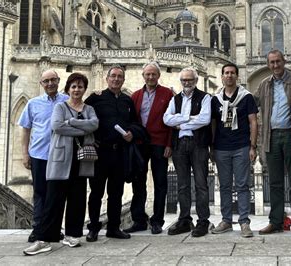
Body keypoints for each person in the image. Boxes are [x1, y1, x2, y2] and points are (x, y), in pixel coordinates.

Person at [23, 73, 98, 255]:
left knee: (77, 197)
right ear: (68, 89)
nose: (77, 89)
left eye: (80, 86)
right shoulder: (60, 106)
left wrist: (71, 122)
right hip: (60, 158)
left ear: (84, 89)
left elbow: (94, 125)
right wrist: (81, 126)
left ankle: (72, 234)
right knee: (53, 199)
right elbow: (57, 127)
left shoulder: (88, 109)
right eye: (73, 86)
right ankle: (44, 239)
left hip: (80, 159)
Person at [254, 49, 291, 237]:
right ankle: (276, 222)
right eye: (272, 62)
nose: (275, 65)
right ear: (268, 64)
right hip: (271, 137)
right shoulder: (264, 85)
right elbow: (252, 104)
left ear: (284, 61)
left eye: (278, 61)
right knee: (275, 182)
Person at [84, 65, 137, 241]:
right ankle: (93, 228)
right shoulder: (95, 98)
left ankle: (114, 227)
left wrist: (132, 133)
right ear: (107, 79)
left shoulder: (127, 101)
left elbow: (135, 123)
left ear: (123, 80)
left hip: (119, 152)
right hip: (100, 153)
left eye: (119, 77)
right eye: (113, 76)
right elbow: (82, 115)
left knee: (116, 193)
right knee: (96, 193)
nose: (116, 79)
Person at [18, 69, 69, 242]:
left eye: (53, 80)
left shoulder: (67, 101)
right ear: (41, 83)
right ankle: (38, 230)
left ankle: (54, 230)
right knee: (40, 193)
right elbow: (26, 130)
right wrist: (25, 154)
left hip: (60, 156)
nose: (49, 84)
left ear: (59, 81)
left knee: (57, 195)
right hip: (39, 155)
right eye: (46, 81)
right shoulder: (33, 103)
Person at [210, 63, 258, 238]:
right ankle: (226, 221)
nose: (229, 76)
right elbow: (213, 124)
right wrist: (212, 146)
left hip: (241, 146)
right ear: (222, 77)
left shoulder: (246, 97)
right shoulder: (215, 99)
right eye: (226, 73)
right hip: (221, 148)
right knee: (224, 186)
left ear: (237, 76)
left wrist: (253, 146)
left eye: (232, 73)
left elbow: (253, 121)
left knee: (243, 185)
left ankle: (244, 222)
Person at [163, 67, 212, 237]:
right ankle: (184, 220)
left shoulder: (205, 97)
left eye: (190, 80)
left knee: (201, 184)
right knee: (182, 185)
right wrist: (191, 119)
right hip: (179, 145)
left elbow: (205, 119)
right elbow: (166, 118)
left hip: (198, 144)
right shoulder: (175, 99)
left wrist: (181, 122)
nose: (187, 82)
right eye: (184, 80)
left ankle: (203, 221)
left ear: (196, 81)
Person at [126, 61, 174, 235]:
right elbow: (131, 119)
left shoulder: (167, 94)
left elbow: (171, 122)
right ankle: (139, 220)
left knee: (160, 182)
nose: (151, 77)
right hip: (140, 143)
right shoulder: (136, 95)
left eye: (154, 74)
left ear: (158, 76)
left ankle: (157, 221)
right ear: (143, 76)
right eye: (148, 74)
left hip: (160, 142)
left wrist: (169, 144)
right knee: (138, 182)